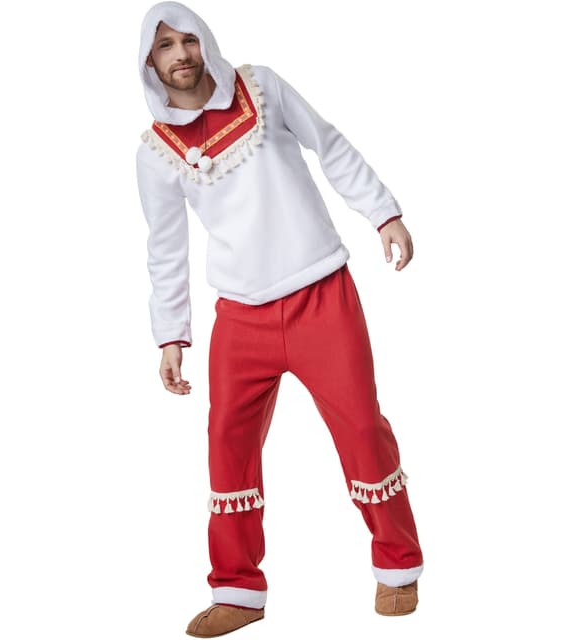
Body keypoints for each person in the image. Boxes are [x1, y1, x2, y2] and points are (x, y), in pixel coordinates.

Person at [136, 2, 424, 636]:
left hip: (322, 294)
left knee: (361, 428)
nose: (181, 54)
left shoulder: (260, 86)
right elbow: (165, 247)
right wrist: (171, 335)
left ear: (204, 41)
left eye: (188, 40)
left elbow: (330, 144)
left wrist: (384, 213)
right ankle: (237, 590)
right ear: (149, 63)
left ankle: (398, 565)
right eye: (165, 46)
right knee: (226, 446)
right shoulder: (156, 153)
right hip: (240, 316)